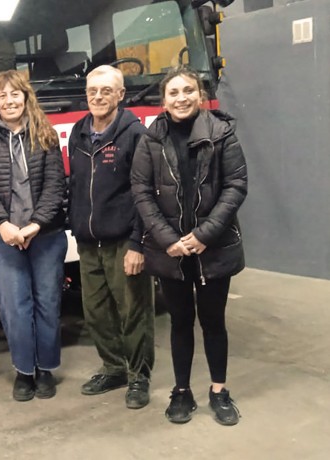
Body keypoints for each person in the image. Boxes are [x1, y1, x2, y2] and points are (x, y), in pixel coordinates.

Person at [131, 66, 248, 426]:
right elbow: (141, 190)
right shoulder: (151, 138)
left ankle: (218, 391)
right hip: (171, 253)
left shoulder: (222, 133)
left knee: (214, 322)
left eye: (188, 91)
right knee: (181, 322)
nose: (181, 98)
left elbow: (236, 186)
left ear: (199, 95)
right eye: (173, 93)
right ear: (163, 100)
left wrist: (203, 235)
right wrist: (169, 240)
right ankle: (182, 392)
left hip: (214, 248)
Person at [0, 70, 67, 402]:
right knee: (14, 307)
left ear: (26, 97)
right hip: (2, 240)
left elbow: (56, 185)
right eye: (2, 95)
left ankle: (46, 370)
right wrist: (3, 225)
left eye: (15, 94)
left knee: (47, 304)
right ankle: (24, 371)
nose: (9, 100)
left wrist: (35, 224)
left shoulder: (46, 134)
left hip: (46, 236)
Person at [68, 65, 154, 409]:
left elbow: (145, 193)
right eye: (93, 91)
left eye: (106, 91)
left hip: (123, 243)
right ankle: (114, 367)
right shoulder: (78, 132)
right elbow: (75, 184)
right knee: (96, 313)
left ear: (120, 94)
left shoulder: (135, 135)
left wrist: (138, 243)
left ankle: (139, 376)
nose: (98, 97)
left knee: (133, 312)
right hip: (89, 242)